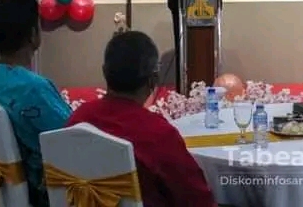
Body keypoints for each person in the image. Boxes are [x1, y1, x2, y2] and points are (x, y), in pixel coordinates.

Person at [66, 31, 217, 207]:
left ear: (104, 72)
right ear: (153, 80)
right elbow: (199, 200)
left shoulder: (78, 120)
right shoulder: (158, 134)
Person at [0, 0, 72, 207]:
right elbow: (72, 134)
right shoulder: (34, 88)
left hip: (29, 180)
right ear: (33, 34)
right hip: (50, 187)